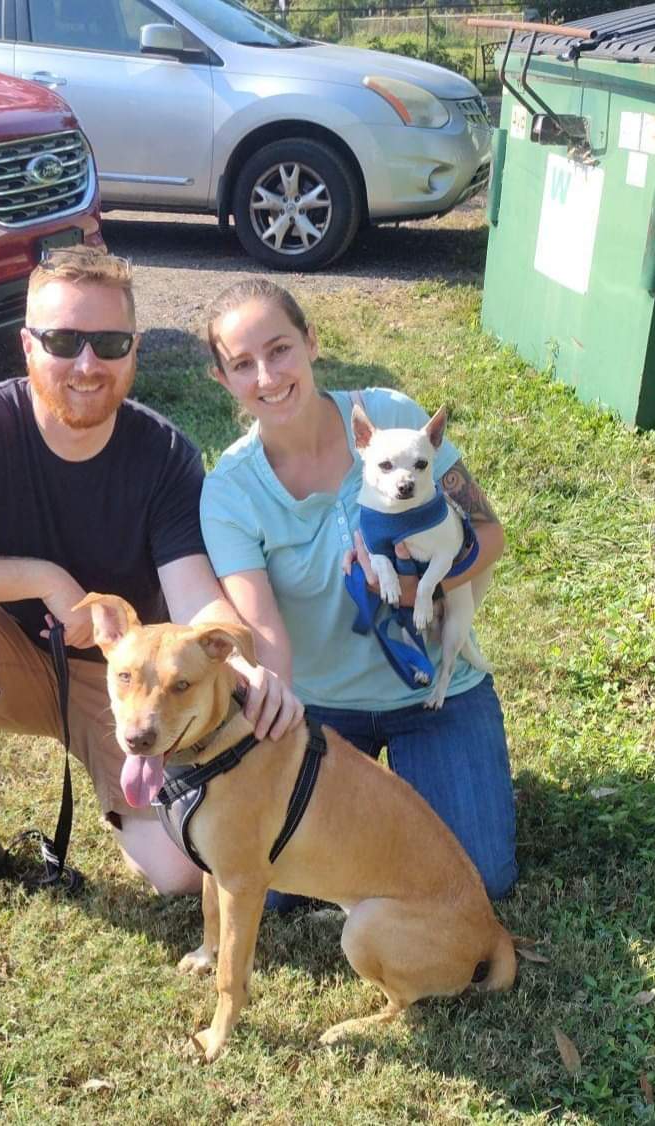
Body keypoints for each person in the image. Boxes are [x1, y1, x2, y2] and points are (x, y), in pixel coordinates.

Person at [0, 248, 302, 930]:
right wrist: (42, 578)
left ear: (133, 351)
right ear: (27, 344)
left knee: (183, 873)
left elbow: (191, 595)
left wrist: (242, 659)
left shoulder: (165, 454)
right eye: (63, 341)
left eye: (109, 343)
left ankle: (128, 806)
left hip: (128, 681)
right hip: (5, 653)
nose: (87, 365)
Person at [200, 279, 518, 906]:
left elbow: (488, 533)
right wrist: (280, 718)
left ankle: (427, 782)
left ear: (312, 342)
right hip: (321, 711)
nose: (267, 375)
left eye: (280, 349)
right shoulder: (230, 491)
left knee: (483, 878)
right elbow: (263, 630)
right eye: (243, 364)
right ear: (223, 379)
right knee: (276, 894)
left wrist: (412, 587)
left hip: (433, 692)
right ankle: (372, 805)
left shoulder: (392, 418)